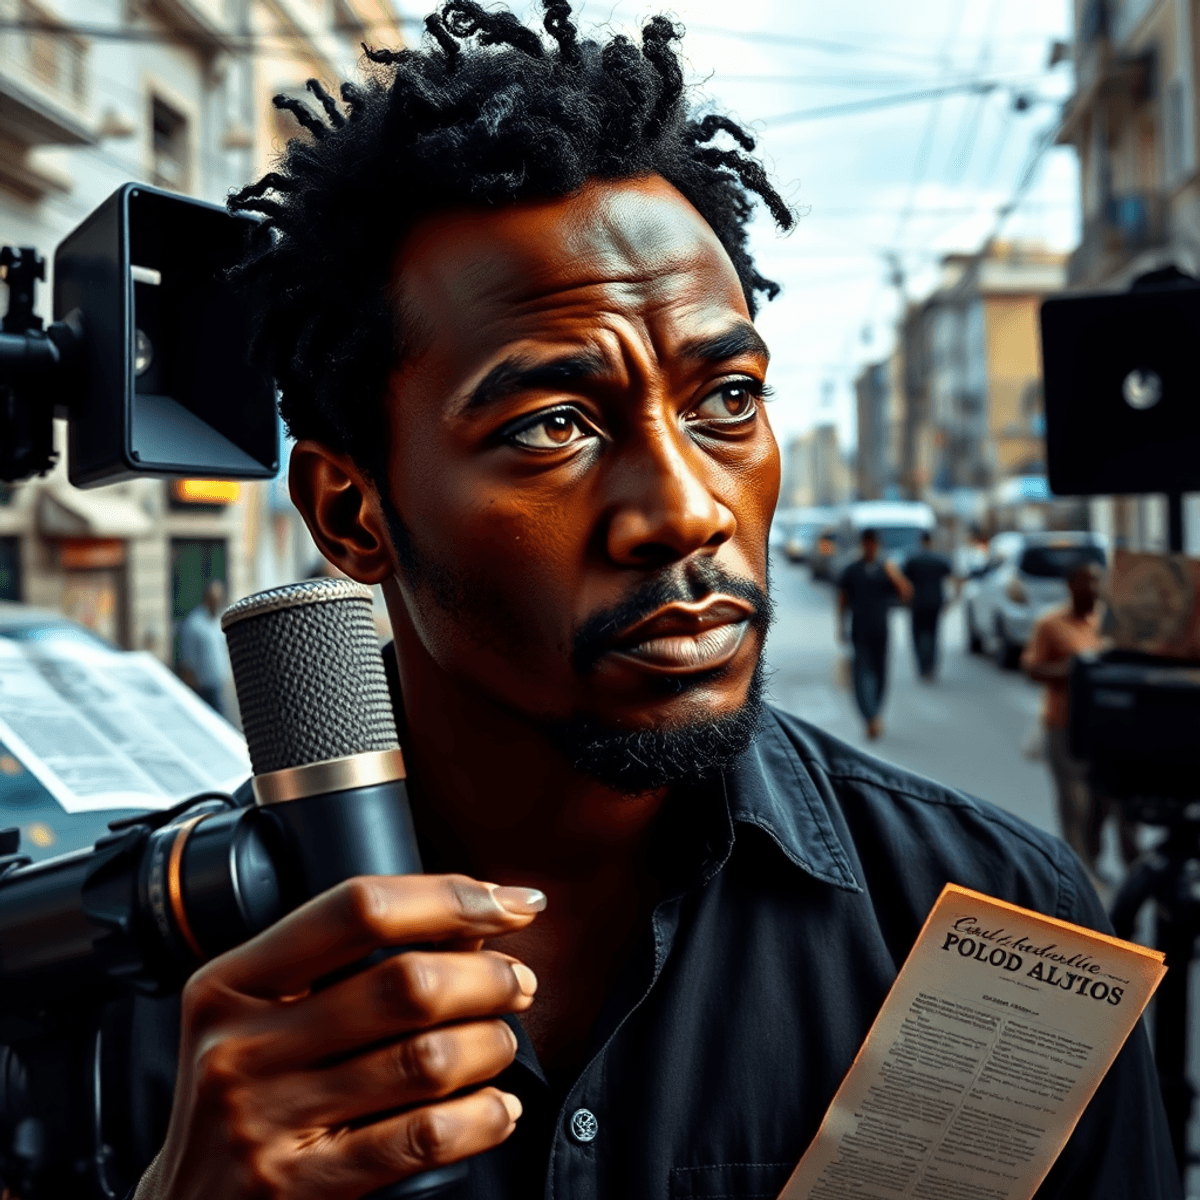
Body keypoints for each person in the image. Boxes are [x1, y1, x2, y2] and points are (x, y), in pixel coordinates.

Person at [124, 5, 1177, 1198]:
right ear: (352, 515)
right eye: (553, 426)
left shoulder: (999, 935)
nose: (685, 512)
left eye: (726, 401)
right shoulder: (161, 986)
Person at [1021, 563, 1138, 876]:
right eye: (1086, 582)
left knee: (1103, 805)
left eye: (1098, 582)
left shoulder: (1110, 622)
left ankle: (1094, 864)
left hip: (1106, 731)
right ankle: (1078, 874)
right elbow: (1032, 668)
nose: (1094, 589)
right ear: (1071, 585)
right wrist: (1075, 671)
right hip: (1064, 726)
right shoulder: (1050, 624)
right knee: (1075, 805)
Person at [837, 529, 913, 738]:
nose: (870, 548)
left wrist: (894, 574)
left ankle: (876, 712)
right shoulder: (852, 570)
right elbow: (842, 599)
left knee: (880, 674)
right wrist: (840, 626)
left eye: (874, 544)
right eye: (867, 543)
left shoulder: (886, 569)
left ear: (877, 545)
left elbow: (906, 594)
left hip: (881, 630)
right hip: (859, 629)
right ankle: (870, 716)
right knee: (861, 674)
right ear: (863, 545)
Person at [902, 531, 954, 680]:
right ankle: (931, 666)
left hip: (918, 602)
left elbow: (903, 581)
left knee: (918, 635)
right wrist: (952, 599)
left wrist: (905, 599)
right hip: (935, 602)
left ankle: (922, 666)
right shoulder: (939, 560)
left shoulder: (913, 560)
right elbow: (954, 578)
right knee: (933, 634)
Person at [177, 579, 230, 716]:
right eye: (214, 599)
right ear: (207, 598)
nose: (217, 603)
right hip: (202, 687)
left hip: (219, 683)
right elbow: (188, 659)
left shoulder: (219, 619)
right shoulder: (194, 623)